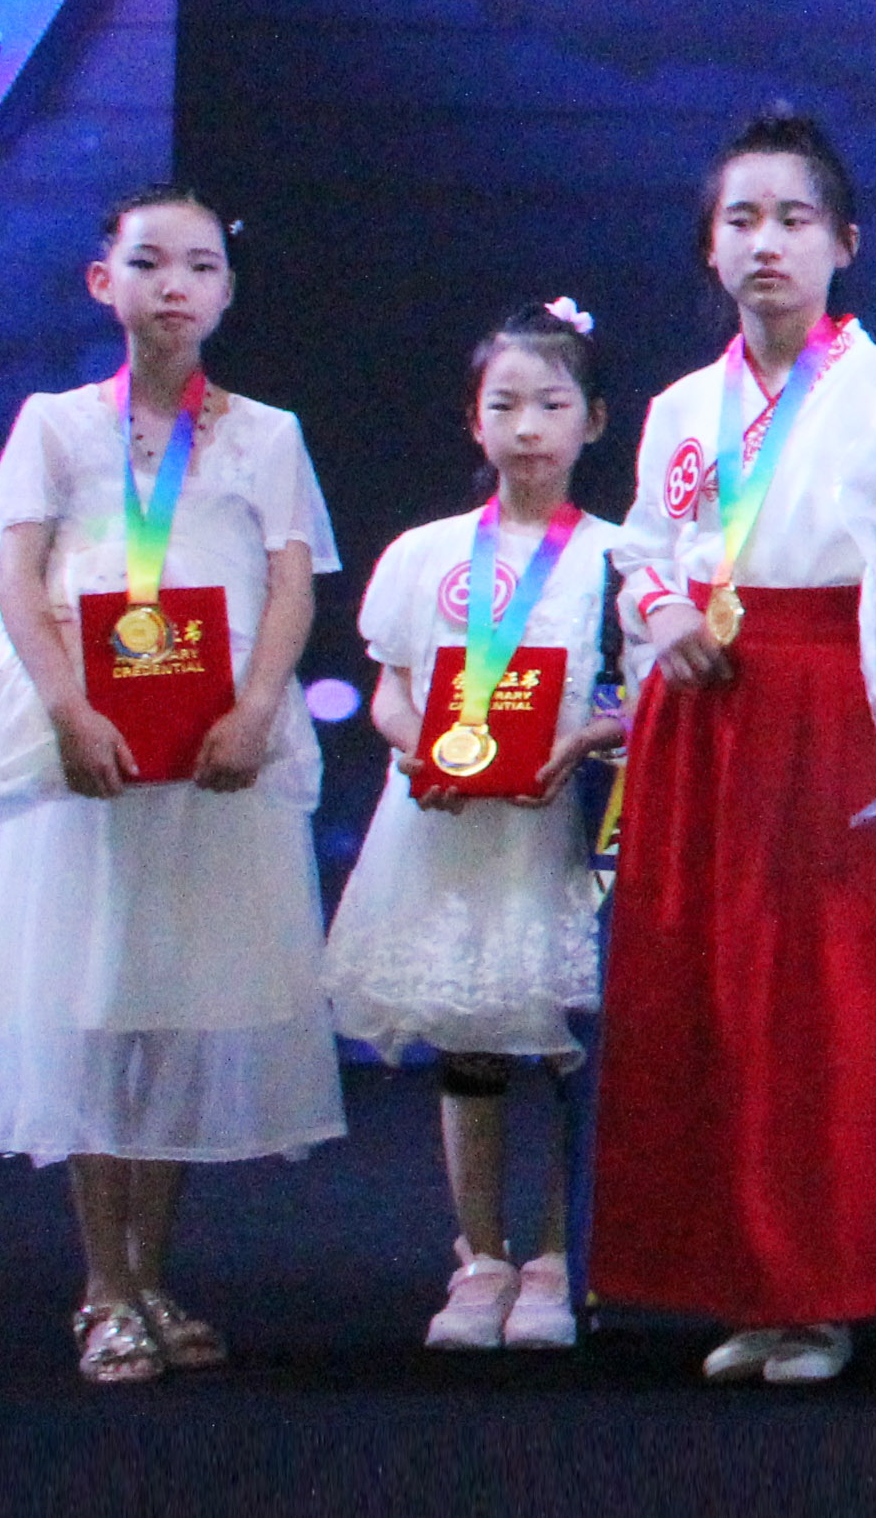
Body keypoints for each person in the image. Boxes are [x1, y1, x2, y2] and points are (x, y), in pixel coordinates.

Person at [597, 111, 876, 1387]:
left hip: (830, 713)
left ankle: (822, 1291)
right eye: (742, 220)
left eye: (794, 219)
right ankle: (741, 1285)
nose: (766, 243)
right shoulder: (681, 406)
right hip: (704, 713)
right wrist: (660, 610)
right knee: (710, 996)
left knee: (822, 1006)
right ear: (709, 248)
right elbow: (644, 552)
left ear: (844, 244)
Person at [0, 185, 346, 1385]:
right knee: (92, 1000)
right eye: (150, 261)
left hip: (210, 757)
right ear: (101, 280)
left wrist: (255, 711)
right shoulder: (56, 426)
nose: (176, 285)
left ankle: (152, 1277)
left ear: (227, 290)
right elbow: (15, 578)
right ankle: (101, 1290)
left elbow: (292, 585)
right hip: (94, 759)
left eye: (201, 265)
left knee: (172, 1003)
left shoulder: (267, 433)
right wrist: (67, 711)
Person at [322, 298, 625, 1353]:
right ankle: (480, 1253)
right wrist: (417, 749)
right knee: (470, 1036)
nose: (528, 427)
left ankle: (557, 1254)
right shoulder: (425, 553)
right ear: (474, 420)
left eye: (553, 404)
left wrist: (584, 740)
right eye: (505, 405)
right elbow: (393, 689)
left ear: (594, 421)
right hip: (449, 824)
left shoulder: (622, 559)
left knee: (573, 1040)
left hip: (567, 827)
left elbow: (640, 700)